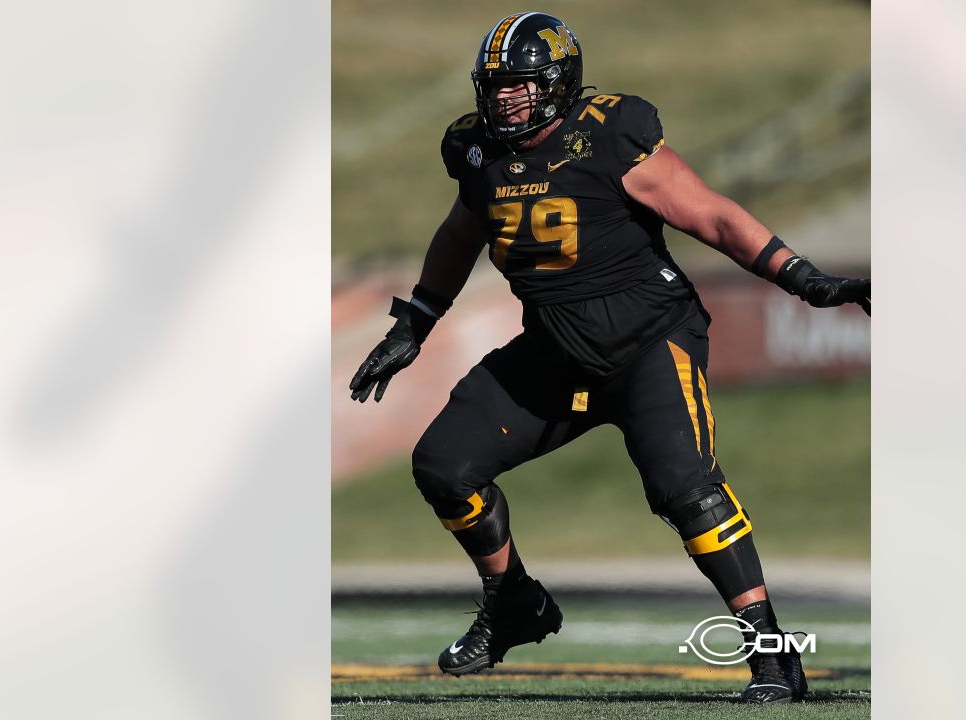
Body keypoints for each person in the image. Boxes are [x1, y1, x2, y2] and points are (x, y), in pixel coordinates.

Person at [348, 11, 869, 705]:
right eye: (497, 86)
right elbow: (463, 226)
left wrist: (805, 279)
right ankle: (514, 602)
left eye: (521, 86)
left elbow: (709, 215)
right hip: (558, 353)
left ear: (559, 84)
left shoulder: (610, 134)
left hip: (649, 342)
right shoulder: (477, 151)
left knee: (688, 493)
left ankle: (772, 655)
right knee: (443, 468)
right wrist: (416, 320)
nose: (505, 99)